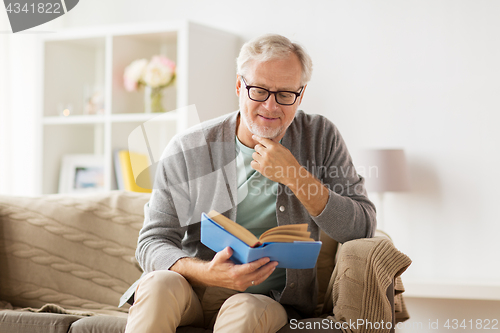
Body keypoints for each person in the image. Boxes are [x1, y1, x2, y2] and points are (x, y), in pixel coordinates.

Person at [124, 34, 376, 333]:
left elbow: (361, 228)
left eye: (285, 94)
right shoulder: (188, 147)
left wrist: (296, 177)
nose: (270, 106)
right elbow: (152, 241)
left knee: (244, 307)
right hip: (193, 291)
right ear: (238, 86)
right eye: (258, 90)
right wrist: (208, 273)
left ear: (301, 93)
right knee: (157, 283)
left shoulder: (320, 137)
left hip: (268, 301)